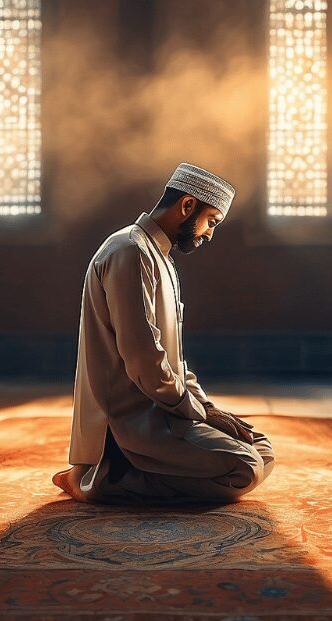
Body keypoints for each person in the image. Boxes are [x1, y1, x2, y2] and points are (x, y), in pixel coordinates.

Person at [53, 163, 275, 505]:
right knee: (244, 467)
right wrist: (197, 413)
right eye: (211, 221)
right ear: (187, 206)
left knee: (260, 446)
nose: (209, 234)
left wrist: (208, 406)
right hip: (133, 423)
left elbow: (172, 358)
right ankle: (105, 478)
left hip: (167, 408)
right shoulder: (130, 252)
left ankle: (136, 474)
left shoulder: (159, 257)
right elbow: (144, 359)